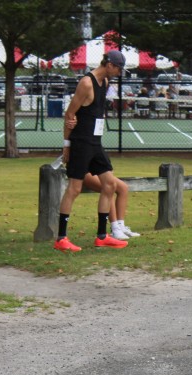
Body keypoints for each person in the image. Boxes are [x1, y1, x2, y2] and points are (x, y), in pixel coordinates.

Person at [56, 49, 130, 252]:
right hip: (80, 143)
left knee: (109, 184)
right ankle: (61, 238)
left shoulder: (104, 82)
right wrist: (67, 146)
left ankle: (102, 236)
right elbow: (70, 114)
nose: (119, 73)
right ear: (109, 65)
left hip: (95, 143)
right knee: (74, 189)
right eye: (118, 69)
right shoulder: (86, 83)